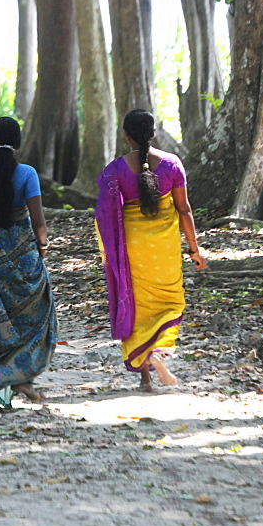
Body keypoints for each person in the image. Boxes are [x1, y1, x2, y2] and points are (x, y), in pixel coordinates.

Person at [94, 108, 207, 391]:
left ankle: (145, 377)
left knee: (137, 307)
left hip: (133, 248)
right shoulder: (172, 164)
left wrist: (109, 253)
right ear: (154, 134)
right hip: (165, 248)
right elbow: (184, 209)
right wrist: (195, 249)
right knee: (172, 303)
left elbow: (105, 214)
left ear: (127, 136)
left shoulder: (115, 170)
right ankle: (160, 351)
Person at [0, 116, 57, 413]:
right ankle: (19, 378)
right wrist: (42, 248)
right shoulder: (27, 173)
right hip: (24, 259)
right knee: (36, 319)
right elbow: (39, 223)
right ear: (17, 143)